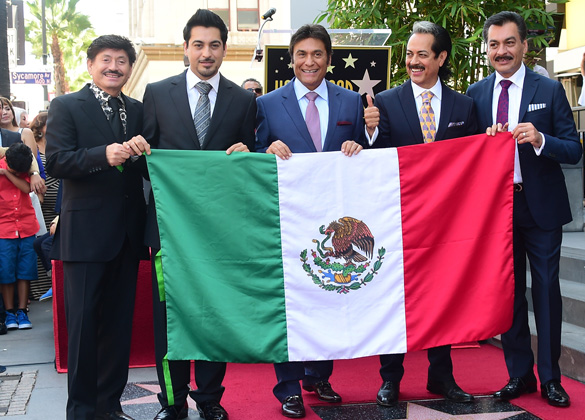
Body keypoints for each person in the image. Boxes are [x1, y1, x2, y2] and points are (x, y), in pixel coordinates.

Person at [142, 9, 256, 420]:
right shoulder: (156, 93)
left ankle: (210, 400)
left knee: (213, 316)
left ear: (225, 48)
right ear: (185, 47)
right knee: (169, 320)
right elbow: (145, 162)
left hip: (219, 234)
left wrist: (248, 154)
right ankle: (172, 402)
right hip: (169, 231)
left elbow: (251, 164)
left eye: (214, 45)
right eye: (198, 44)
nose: (206, 53)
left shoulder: (244, 101)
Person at [466, 11, 582, 408]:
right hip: (496, 211)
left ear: (524, 46)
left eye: (509, 43)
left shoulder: (547, 90)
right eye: (494, 44)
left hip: (542, 208)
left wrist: (540, 139)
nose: (502, 51)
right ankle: (519, 375)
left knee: (547, 291)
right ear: (487, 50)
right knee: (509, 295)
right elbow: (463, 155)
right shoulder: (476, 94)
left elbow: (573, 149)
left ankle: (551, 378)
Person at [363, 21, 477, 407]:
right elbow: (376, 160)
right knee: (395, 298)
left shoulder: (465, 106)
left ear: (441, 58)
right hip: (400, 221)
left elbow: (475, 162)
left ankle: (441, 376)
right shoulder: (387, 102)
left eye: (422, 54)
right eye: (410, 54)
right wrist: (373, 133)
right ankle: (390, 378)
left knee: (443, 298)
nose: (413, 61)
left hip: (448, 223)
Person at [256, 23, 364, 419]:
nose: (309, 61)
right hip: (287, 222)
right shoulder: (268, 104)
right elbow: (253, 152)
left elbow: (367, 158)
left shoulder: (350, 104)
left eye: (317, 54)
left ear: (329, 60)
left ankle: (318, 375)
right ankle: (288, 388)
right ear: (291, 59)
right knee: (289, 303)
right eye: (302, 54)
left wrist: (359, 144)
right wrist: (266, 148)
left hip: (336, 223)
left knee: (329, 298)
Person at [46, 34, 149, 420]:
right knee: (84, 330)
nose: (114, 67)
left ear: (129, 68)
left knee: (118, 330)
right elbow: (56, 162)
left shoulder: (137, 110)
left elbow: (143, 167)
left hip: (126, 236)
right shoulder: (66, 106)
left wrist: (142, 153)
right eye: (106, 59)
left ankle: (110, 406)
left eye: (122, 61)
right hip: (85, 238)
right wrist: (101, 156)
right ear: (90, 64)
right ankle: (82, 411)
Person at [0, 142, 39, 331]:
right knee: (6, 271)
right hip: (4, 228)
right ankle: (9, 312)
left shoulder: (25, 167)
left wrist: (8, 173)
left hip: (26, 226)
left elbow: (27, 188)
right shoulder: (6, 161)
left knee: (25, 270)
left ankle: (22, 310)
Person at [29, 112, 58, 299]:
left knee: (51, 242)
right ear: (40, 127)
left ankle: (55, 283)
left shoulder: (59, 144)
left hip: (59, 203)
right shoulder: (34, 148)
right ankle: (43, 288)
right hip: (42, 205)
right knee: (41, 242)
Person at [0, 98, 45, 195]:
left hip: (15, 194)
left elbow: (28, 155)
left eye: (6, 109)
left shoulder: (17, 135)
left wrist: (34, 173)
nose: (3, 112)